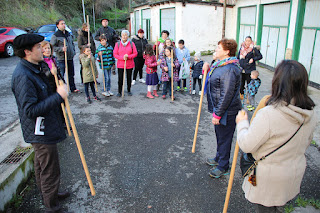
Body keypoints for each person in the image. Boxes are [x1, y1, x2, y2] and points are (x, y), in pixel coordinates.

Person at [236, 60, 316, 212]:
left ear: (277, 82)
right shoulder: (312, 115)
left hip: (268, 178)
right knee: (277, 205)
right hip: (293, 172)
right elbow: (305, 144)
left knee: (266, 208)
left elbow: (246, 144)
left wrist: (242, 123)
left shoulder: (269, 114)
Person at [11, 34, 71, 213]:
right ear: (27, 52)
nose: (42, 49)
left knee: (42, 165)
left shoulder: (35, 67)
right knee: (49, 168)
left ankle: (49, 194)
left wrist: (56, 82)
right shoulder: (23, 75)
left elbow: (44, 90)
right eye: (38, 47)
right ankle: (51, 205)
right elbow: (30, 110)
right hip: (40, 130)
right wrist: (58, 97)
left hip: (45, 126)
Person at [203, 38, 242, 178]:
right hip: (220, 108)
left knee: (225, 137)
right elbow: (214, 81)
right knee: (220, 135)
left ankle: (223, 165)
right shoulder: (220, 65)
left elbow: (227, 94)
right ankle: (219, 158)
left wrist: (218, 114)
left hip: (227, 111)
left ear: (226, 52)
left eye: (219, 48)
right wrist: (207, 68)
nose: (216, 50)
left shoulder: (230, 69)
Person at [50, 19, 79, 93]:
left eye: (64, 23)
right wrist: (61, 49)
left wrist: (73, 51)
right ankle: (62, 90)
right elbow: (52, 47)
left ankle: (73, 88)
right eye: (62, 24)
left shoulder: (68, 34)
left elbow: (72, 43)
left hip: (69, 57)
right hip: (61, 58)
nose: (64, 25)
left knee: (71, 74)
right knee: (61, 75)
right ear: (58, 25)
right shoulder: (55, 36)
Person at [113, 30, 138, 97]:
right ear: (121, 36)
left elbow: (135, 53)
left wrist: (128, 56)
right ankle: (119, 91)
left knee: (129, 78)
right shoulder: (117, 44)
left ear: (128, 36)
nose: (124, 36)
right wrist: (122, 58)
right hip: (121, 64)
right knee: (120, 78)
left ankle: (129, 90)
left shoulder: (132, 44)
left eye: (125, 35)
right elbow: (115, 54)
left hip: (129, 64)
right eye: (123, 35)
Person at [237, 36, 262, 100]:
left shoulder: (253, 49)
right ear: (244, 41)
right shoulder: (241, 48)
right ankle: (241, 94)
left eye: (249, 41)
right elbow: (237, 57)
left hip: (249, 69)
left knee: (249, 84)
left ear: (251, 42)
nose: (247, 42)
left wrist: (253, 59)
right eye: (246, 41)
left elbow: (260, 56)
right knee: (241, 83)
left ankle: (249, 96)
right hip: (241, 69)